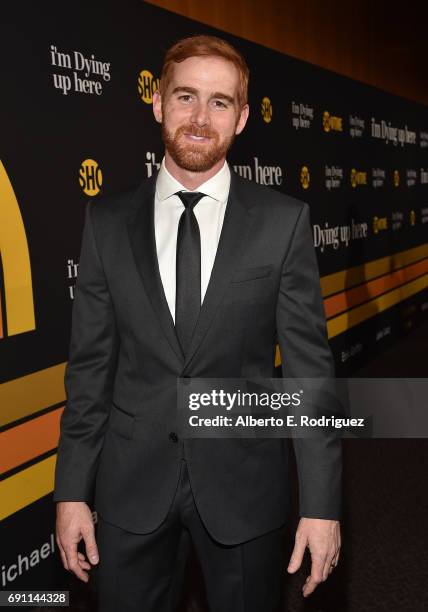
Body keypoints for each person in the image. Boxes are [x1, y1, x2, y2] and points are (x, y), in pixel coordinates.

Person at [54, 34, 342, 612]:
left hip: (244, 488)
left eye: (219, 102)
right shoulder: (107, 222)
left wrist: (322, 505)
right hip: (129, 489)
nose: (200, 117)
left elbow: (310, 377)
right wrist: (71, 493)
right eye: (186, 97)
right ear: (158, 104)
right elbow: (90, 372)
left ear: (240, 119)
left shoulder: (282, 224)